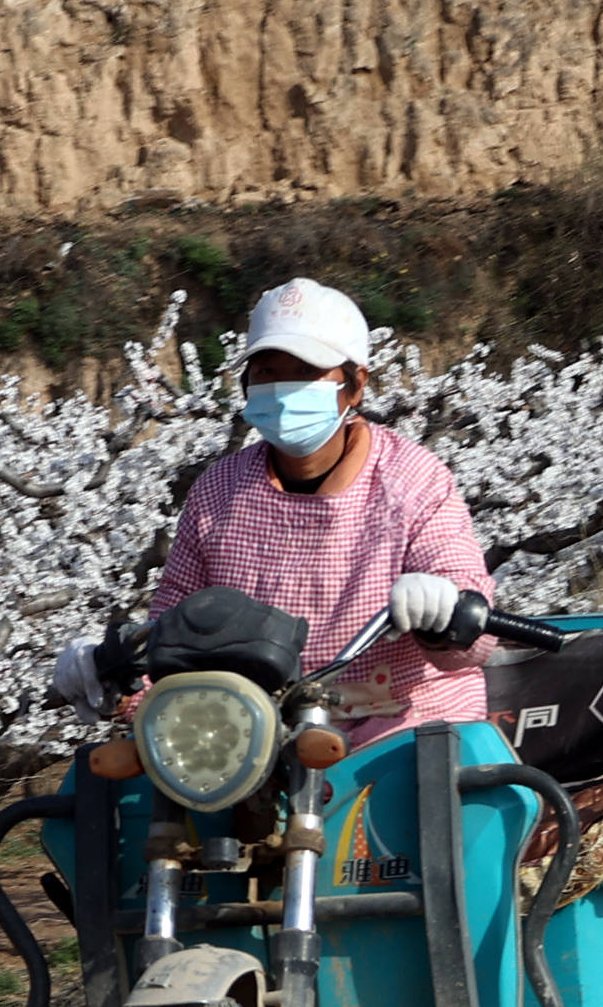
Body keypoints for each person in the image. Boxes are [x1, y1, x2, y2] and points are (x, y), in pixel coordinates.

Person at [53, 277, 494, 749]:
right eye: (267, 373)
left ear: (355, 384)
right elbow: (171, 632)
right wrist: (110, 671)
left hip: (403, 729)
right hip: (252, 739)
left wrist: (442, 612)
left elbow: (477, 639)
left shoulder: (414, 480)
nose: (283, 390)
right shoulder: (219, 491)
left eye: (305, 372)